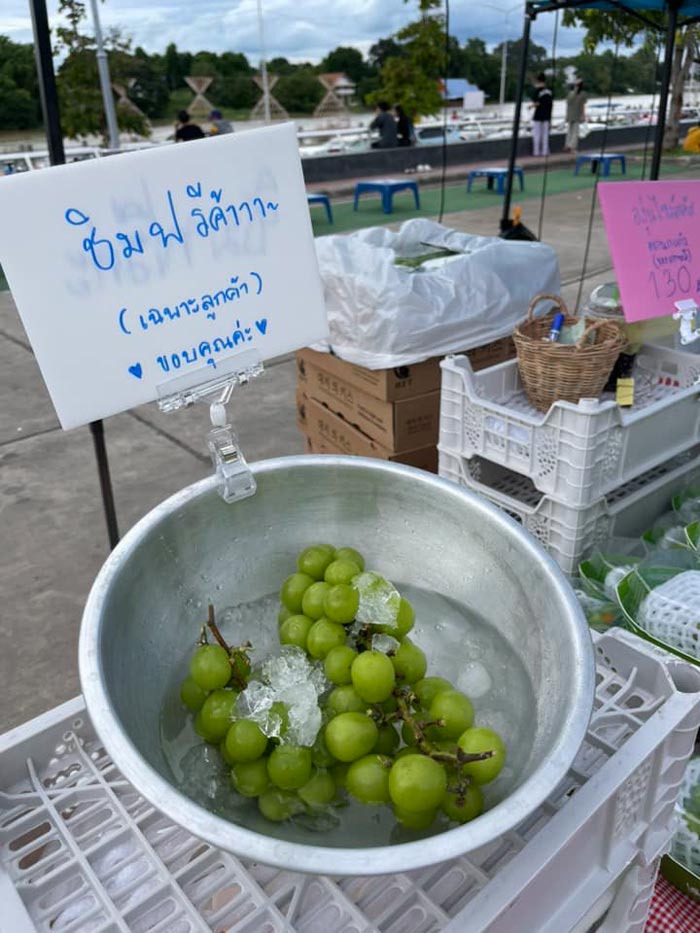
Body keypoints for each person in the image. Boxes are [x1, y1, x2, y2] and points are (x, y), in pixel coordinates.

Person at [529, 73, 553, 157]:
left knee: (536, 134)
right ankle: (545, 151)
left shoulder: (537, 91)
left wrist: (530, 106)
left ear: (538, 81)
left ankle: (536, 152)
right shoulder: (549, 92)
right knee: (545, 135)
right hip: (547, 115)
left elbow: (536, 103)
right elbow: (550, 105)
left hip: (538, 115)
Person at [565, 78, 587, 152]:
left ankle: (568, 145)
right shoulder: (581, 94)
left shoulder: (571, 93)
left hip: (571, 114)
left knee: (570, 131)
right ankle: (572, 147)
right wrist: (583, 115)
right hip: (576, 114)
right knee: (574, 132)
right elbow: (582, 105)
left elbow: (568, 103)